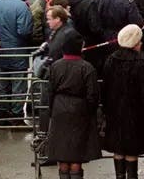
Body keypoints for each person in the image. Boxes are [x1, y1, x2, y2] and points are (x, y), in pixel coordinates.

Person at [101, 25, 144, 179]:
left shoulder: (111, 60)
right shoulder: (139, 63)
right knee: (132, 151)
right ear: (134, 43)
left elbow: (105, 88)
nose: (141, 44)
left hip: (114, 113)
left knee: (118, 150)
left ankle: (119, 176)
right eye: (139, 41)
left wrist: (105, 109)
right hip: (134, 114)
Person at [45, 30, 101, 179]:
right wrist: (91, 112)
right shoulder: (87, 67)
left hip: (59, 109)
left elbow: (49, 91)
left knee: (62, 155)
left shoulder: (55, 66)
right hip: (80, 110)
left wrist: (52, 110)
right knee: (77, 155)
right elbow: (93, 95)